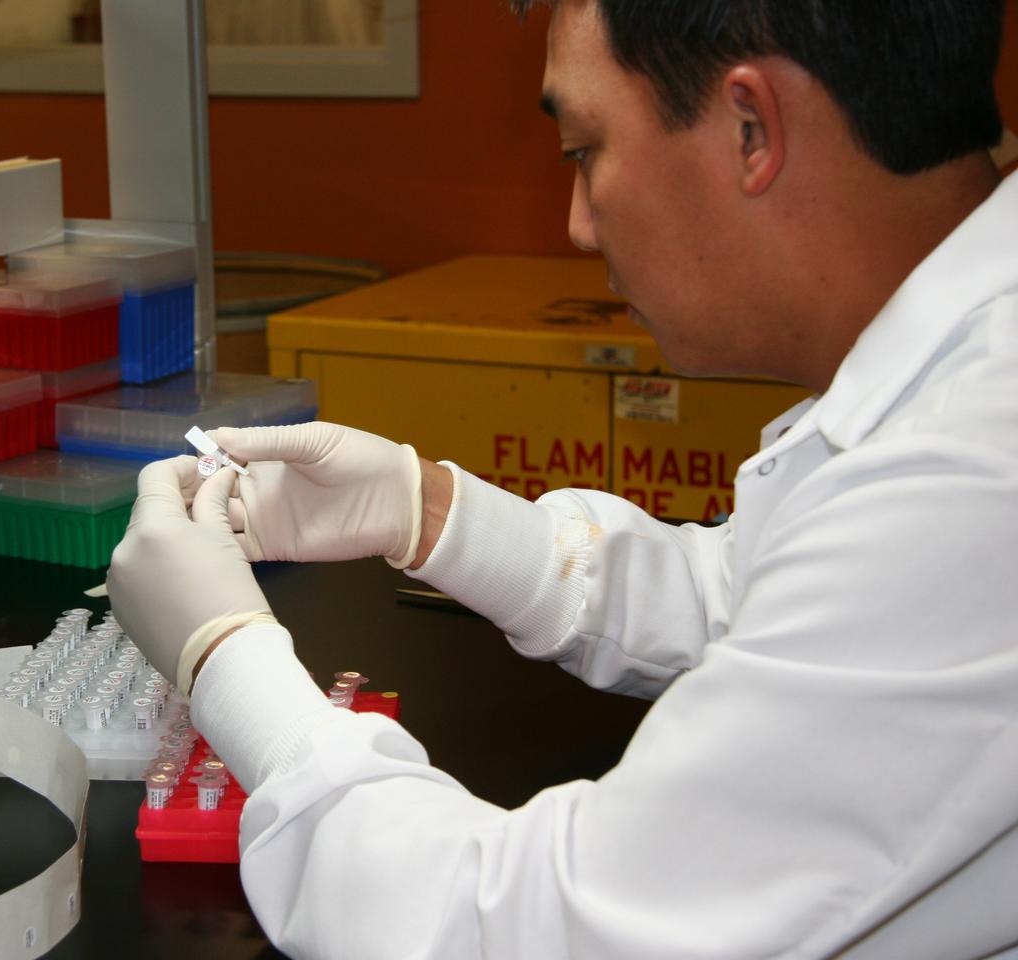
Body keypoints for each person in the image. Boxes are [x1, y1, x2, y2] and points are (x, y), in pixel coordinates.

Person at [108, 0, 1018, 956]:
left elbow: (533, 927)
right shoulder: (963, 386)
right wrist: (427, 508)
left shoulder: (967, 473)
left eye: (584, 149)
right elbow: (753, 603)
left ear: (752, 128)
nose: (579, 226)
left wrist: (230, 665)